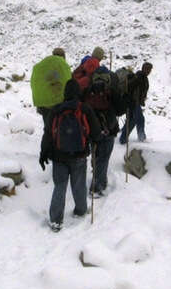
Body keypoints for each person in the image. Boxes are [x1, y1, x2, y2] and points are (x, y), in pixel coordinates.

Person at [39, 79, 101, 232]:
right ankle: (80, 210)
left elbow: (47, 133)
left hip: (59, 156)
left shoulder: (56, 110)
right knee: (78, 185)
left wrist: (43, 153)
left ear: (65, 92)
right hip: (79, 155)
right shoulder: (84, 109)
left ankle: (56, 220)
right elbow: (96, 133)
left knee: (60, 186)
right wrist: (94, 142)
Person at [83, 65, 127, 196]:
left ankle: (99, 177)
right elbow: (120, 110)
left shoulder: (88, 91)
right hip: (109, 128)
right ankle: (97, 187)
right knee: (104, 157)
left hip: (92, 129)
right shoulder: (111, 91)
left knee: (96, 155)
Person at [33, 47, 71, 127]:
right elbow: (68, 82)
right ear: (63, 56)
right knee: (60, 127)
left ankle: (48, 136)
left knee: (48, 126)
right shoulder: (63, 64)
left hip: (42, 102)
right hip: (57, 102)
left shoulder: (43, 64)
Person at [120, 62, 152, 144]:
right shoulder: (138, 77)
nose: (149, 71)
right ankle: (141, 137)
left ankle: (123, 137)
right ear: (143, 68)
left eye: (150, 70)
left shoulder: (144, 78)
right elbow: (130, 88)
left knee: (131, 120)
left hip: (135, 102)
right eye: (147, 69)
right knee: (139, 119)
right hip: (132, 102)